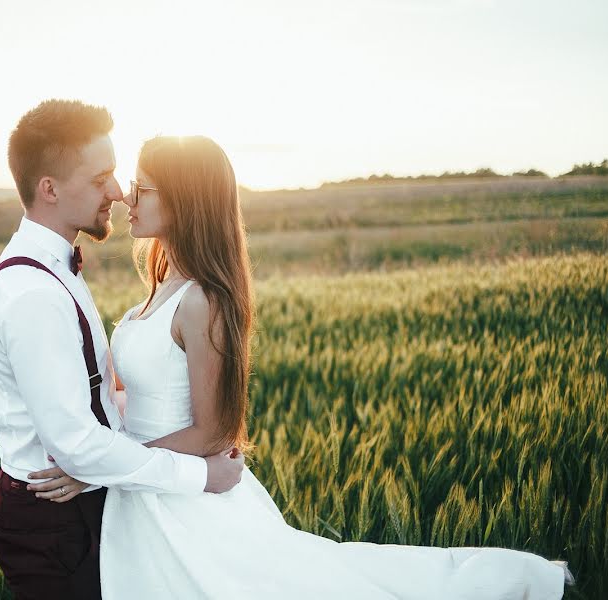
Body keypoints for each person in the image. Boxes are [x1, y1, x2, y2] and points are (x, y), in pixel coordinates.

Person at [30, 135, 576, 599]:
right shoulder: (160, 287)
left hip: (184, 503)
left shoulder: (203, 300)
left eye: (143, 187)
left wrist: (102, 466)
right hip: (145, 497)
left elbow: (213, 431)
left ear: (185, 199)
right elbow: (139, 392)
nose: (127, 195)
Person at [0, 100, 244, 600]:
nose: (119, 194)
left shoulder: (57, 270)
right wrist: (200, 473)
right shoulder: (34, 292)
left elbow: (101, 393)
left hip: (101, 502)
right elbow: (75, 446)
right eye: (102, 178)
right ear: (49, 188)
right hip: (53, 519)